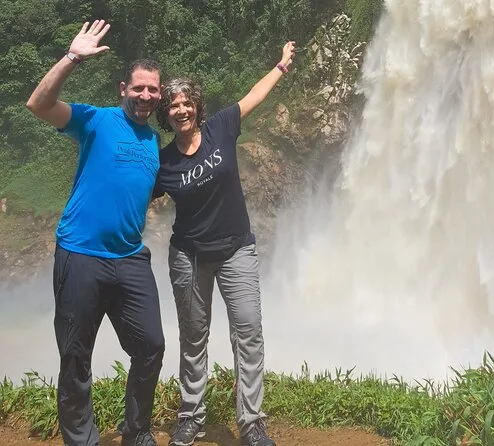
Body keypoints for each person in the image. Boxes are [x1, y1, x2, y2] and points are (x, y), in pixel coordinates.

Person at [26, 20, 165, 446]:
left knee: (151, 345)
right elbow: (39, 104)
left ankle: (136, 431)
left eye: (152, 89)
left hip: (130, 258)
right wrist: (72, 57)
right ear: (124, 88)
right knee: (75, 355)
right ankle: (82, 439)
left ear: (159, 95)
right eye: (138, 88)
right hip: (81, 254)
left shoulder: (154, 142)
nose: (145, 96)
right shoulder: (96, 120)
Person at [152, 41, 295, 446]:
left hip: (236, 249)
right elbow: (133, 194)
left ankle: (251, 423)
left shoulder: (221, 127)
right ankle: (190, 417)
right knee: (193, 337)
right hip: (190, 257)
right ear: (166, 114)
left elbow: (254, 96)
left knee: (248, 331)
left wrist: (281, 66)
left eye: (186, 103)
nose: (181, 109)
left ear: (197, 106)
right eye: (173, 105)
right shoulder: (164, 162)